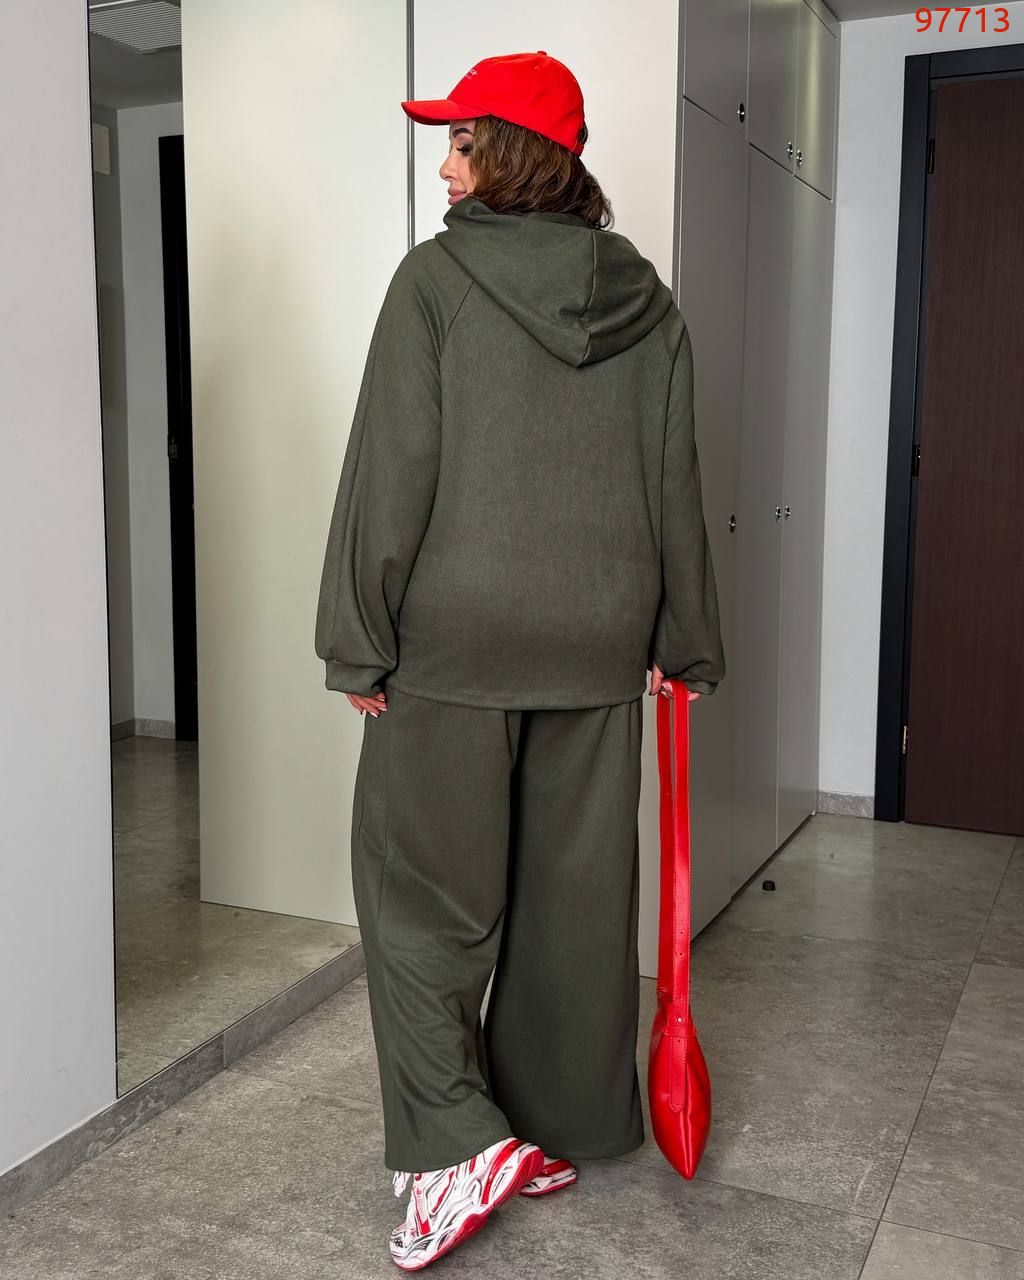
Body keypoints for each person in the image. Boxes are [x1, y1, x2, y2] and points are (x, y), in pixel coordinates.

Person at [314, 49, 725, 1272]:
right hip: (599, 640)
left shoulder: (435, 282)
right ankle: (547, 1124)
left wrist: (357, 638)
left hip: (458, 642)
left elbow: (390, 471)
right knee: (571, 900)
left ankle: (456, 1144)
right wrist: (683, 639)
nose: (444, 164)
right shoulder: (649, 302)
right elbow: (673, 479)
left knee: (420, 899)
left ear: (511, 153)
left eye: (461, 140)